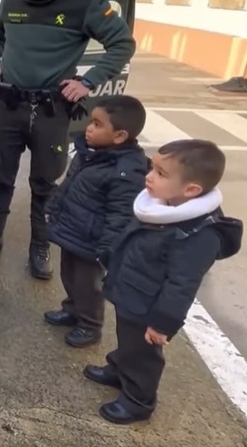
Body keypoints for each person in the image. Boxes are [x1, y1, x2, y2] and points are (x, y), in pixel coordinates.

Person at [0, 0, 137, 280]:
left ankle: (40, 246)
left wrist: (87, 82)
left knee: (44, 182)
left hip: (50, 110)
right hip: (9, 104)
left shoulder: (85, 3)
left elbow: (122, 45)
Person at [85, 139, 241, 424]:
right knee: (127, 340)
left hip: (150, 306)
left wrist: (163, 323)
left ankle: (138, 400)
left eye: (160, 173)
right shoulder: (161, 205)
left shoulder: (198, 234)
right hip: (131, 291)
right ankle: (119, 369)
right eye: (152, 168)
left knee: (144, 354)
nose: (149, 176)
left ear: (191, 190)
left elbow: (182, 284)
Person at [42, 95, 148, 349]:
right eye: (91, 121)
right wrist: (53, 207)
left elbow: (120, 214)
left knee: (87, 284)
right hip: (72, 230)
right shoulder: (89, 153)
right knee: (68, 274)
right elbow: (68, 185)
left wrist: (107, 248)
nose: (89, 128)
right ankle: (72, 309)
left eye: (98, 125)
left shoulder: (126, 170)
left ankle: (90, 324)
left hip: (92, 240)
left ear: (120, 136)